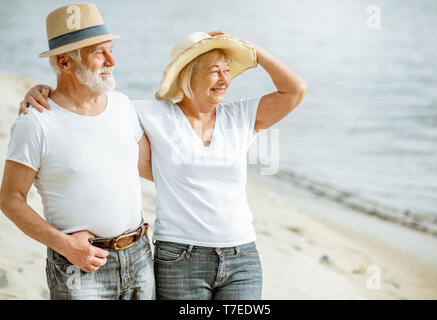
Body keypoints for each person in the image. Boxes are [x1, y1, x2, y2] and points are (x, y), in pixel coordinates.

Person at [20, 31, 308, 299]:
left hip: (242, 257)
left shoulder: (242, 116)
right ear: (188, 75)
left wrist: (252, 50)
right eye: (214, 71)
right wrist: (45, 91)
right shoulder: (149, 113)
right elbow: (88, 103)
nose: (224, 79)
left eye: (227, 70)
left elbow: (295, 90)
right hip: (180, 257)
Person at [0, 4, 155, 300]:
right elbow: (10, 199)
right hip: (80, 266)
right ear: (65, 62)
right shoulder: (35, 123)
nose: (112, 61)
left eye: (111, 50)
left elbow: (148, 165)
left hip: (139, 256)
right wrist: (66, 245)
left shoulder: (123, 105)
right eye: (99, 53)